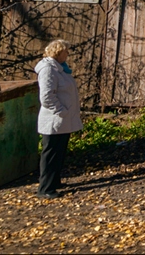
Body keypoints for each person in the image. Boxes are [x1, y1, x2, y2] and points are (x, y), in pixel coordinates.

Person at [35, 39, 83, 199]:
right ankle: (45, 188)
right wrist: (61, 111)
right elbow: (47, 96)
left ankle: (54, 182)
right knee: (50, 153)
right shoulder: (48, 70)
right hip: (54, 119)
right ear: (58, 52)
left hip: (63, 119)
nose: (68, 54)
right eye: (66, 51)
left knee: (59, 152)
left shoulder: (60, 69)